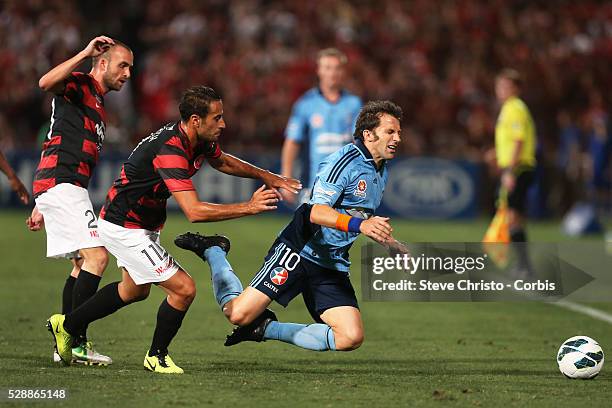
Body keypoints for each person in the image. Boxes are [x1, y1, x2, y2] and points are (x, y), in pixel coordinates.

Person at [46, 86, 301, 374]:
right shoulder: (170, 150)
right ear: (195, 120)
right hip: (125, 226)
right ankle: (156, 356)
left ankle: (66, 324)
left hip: (139, 223)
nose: (223, 124)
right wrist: (249, 207)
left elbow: (222, 161)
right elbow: (193, 211)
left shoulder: (197, 138)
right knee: (183, 289)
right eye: (217, 118)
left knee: (133, 291)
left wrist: (268, 176)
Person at [176, 100, 407, 352]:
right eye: (390, 131)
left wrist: (389, 242)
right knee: (238, 314)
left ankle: (264, 329)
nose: (397, 138)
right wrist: (360, 226)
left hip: (331, 262)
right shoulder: (343, 162)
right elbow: (316, 213)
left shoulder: (380, 169)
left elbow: (358, 215)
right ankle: (215, 251)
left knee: (351, 337)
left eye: (398, 132)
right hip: (299, 250)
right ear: (368, 134)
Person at [28, 36, 133, 365]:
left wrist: (41, 201)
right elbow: (45, 82)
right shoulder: (81, 84)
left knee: (80, 265)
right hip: (63, 185)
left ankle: (70, 348)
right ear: (103, 64)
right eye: (123, 65)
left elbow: (58, 140)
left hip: (63, 187)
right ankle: (72, 336)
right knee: (97, 257)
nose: (128, 73)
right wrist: (86, 53)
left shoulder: (99, 104)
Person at [281, 48, 362, 204]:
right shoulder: (305, 104)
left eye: (337, 68)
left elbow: (358, 142)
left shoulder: (354, 104)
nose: (332, 73)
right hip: (313, 184)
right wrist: (285, 178)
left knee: (343, 228)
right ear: (319, 71)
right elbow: (292, 141)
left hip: (345, 186)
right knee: (311, 228)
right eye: (327, 68)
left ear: (343, 72)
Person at [493, 69, 537, 275]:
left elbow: (519, 140)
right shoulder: (509, 108)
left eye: (506, 86)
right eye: (500, 86)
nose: (501, 90)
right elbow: (513, 140)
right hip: (516, 167)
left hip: (519, 168)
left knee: (513, 216)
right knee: (514, 216)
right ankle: (522, 264)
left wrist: (510, 171)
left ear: (516, 89)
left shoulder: (515, 108)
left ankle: (524, 266)